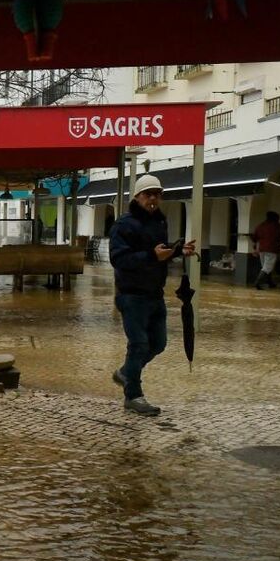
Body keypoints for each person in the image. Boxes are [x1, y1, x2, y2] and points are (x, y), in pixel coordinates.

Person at [109, 174, 195, 416]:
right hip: (132, 295)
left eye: (157, 194)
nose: (153, 199)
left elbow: (160, 251)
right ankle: (133, 395)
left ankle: (126, 372)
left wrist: (178, 250)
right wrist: (151, 256)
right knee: (138, 344)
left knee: (158, 343)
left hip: (155, 294)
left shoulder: (159, 222)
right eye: (148, 194)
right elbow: (119, 259)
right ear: (137, 197)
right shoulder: (124, 225)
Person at [251, 211, 280, 290]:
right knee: (267, 267)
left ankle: (270, 282)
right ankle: (257, 282)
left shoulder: (261, 225)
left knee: (266, 267)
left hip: (261, 249)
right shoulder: (277, 226)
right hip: (272, 249)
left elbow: (254, 237)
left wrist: (255, 248)